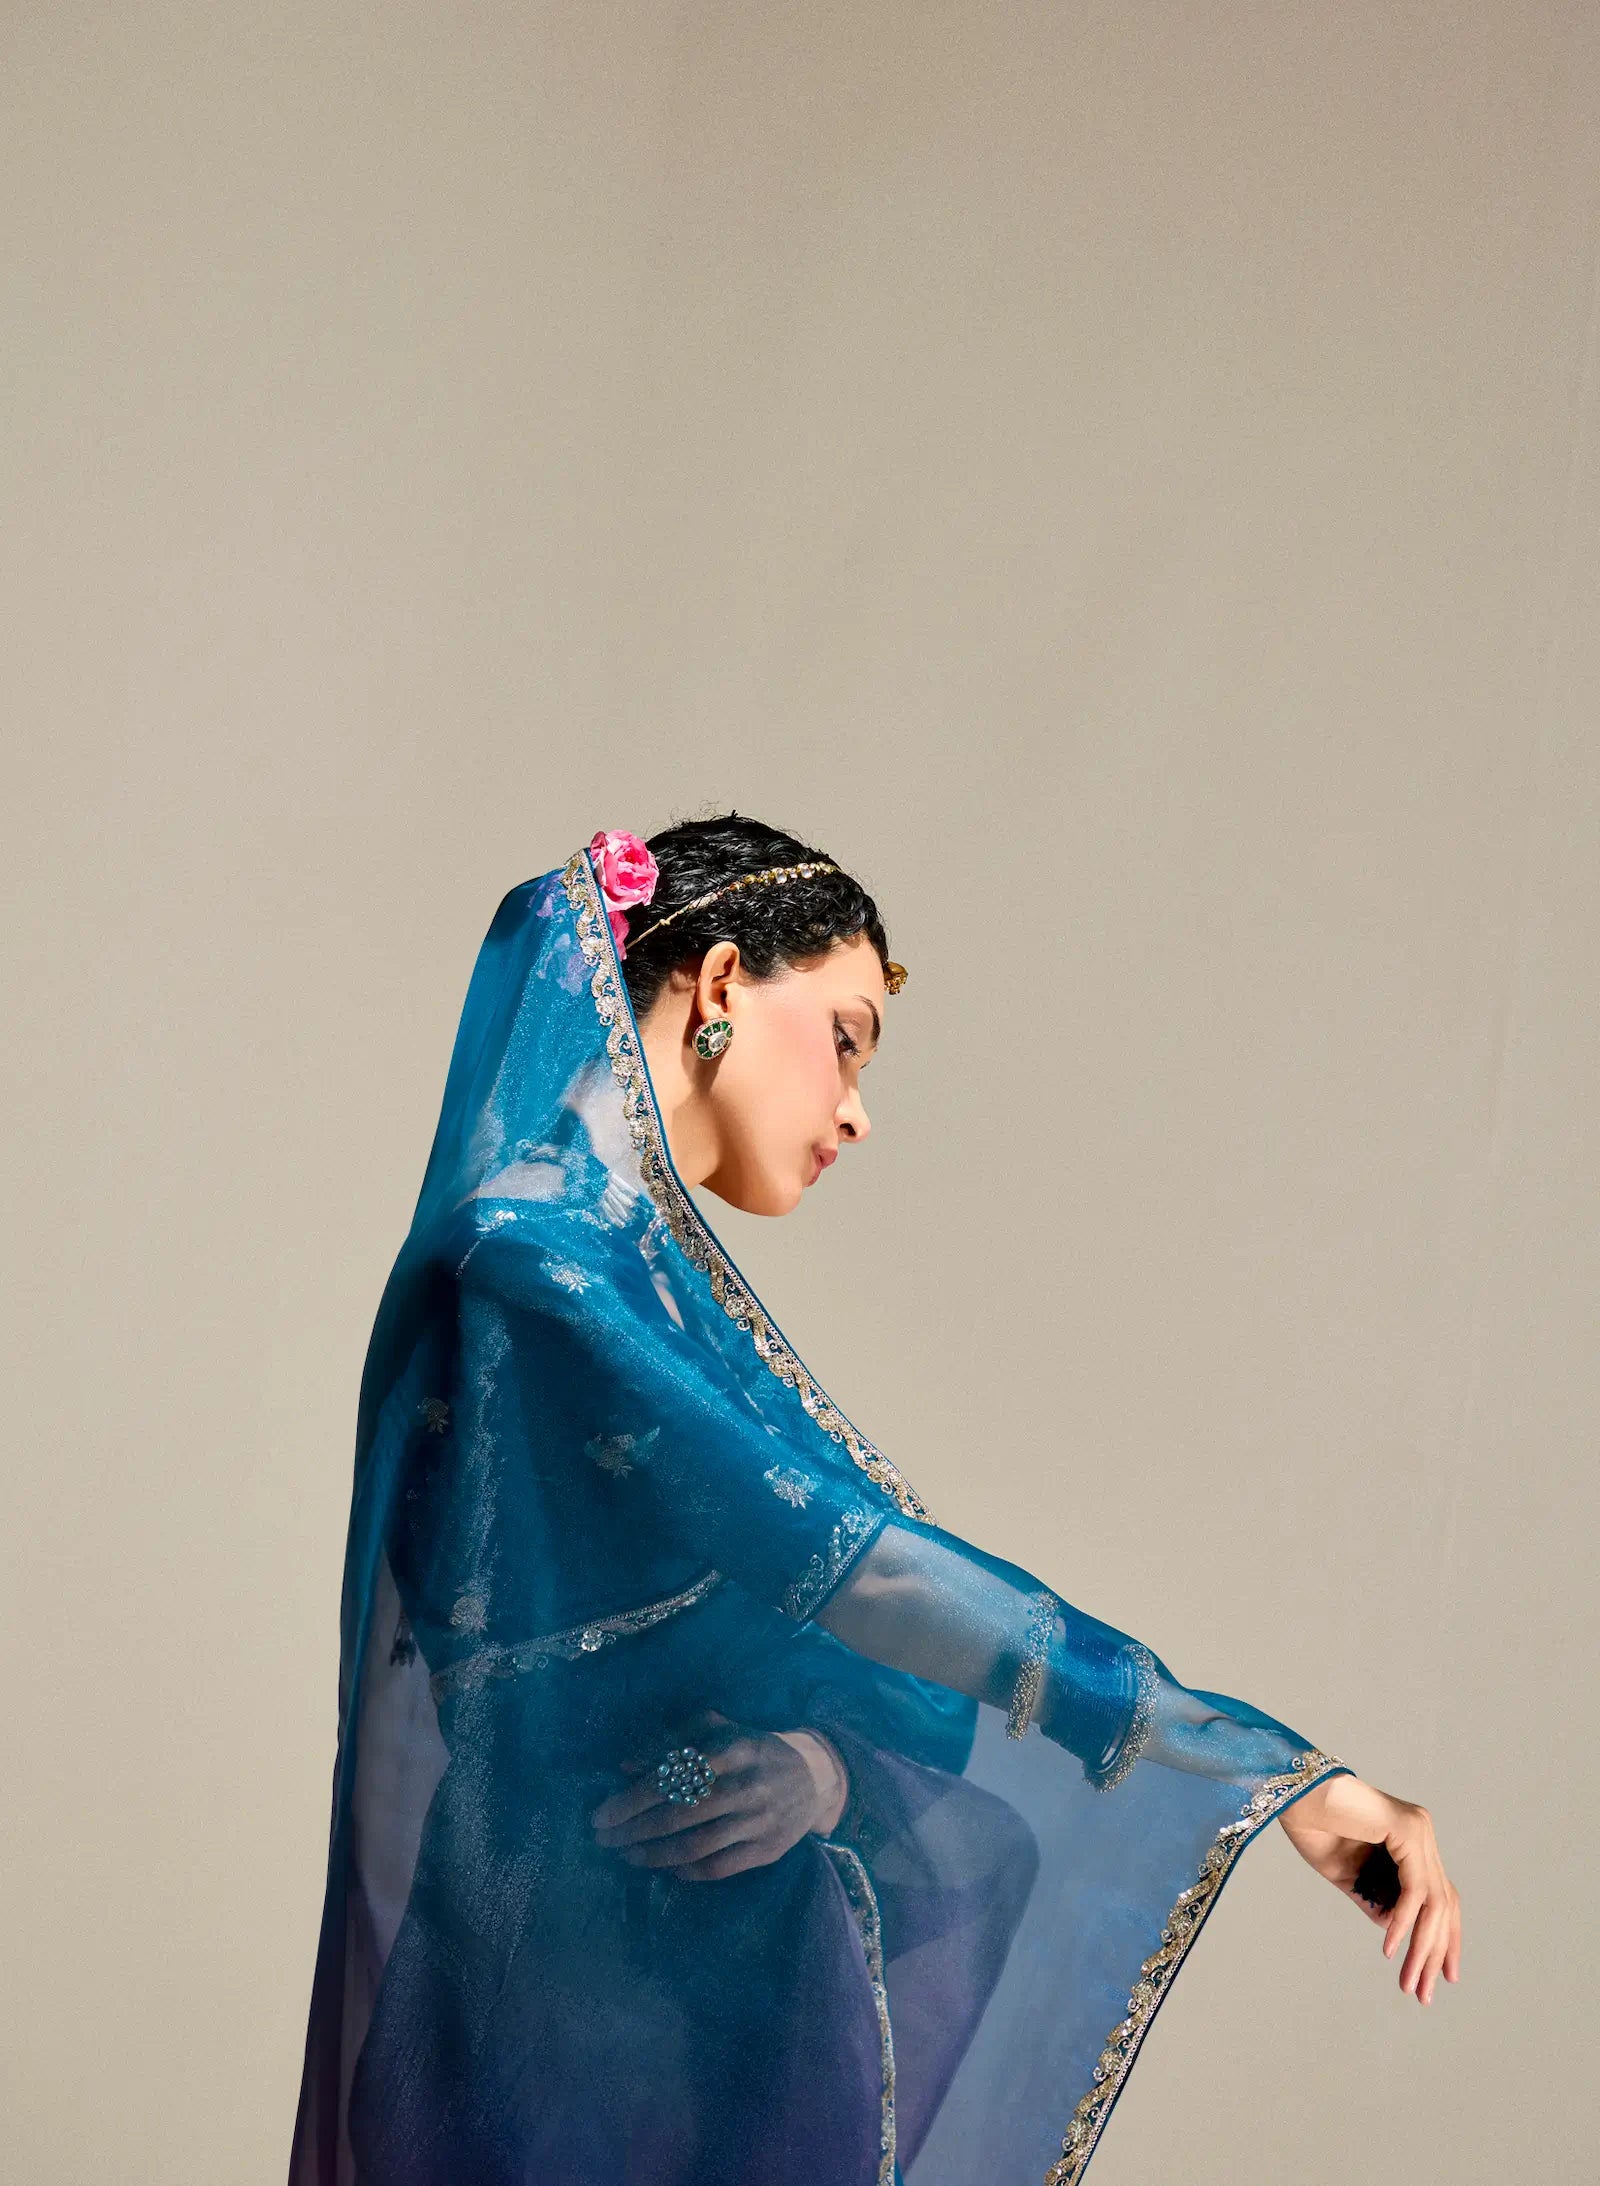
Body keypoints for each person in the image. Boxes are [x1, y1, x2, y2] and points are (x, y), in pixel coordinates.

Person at [287, 812, 1461, 2186]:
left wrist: (822, 1768)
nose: (855, 1108)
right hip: (554, 2016)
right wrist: (1255, 1767)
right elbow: (859, 1574)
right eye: (845, 1039)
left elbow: (779, 1626)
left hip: (730, 2005)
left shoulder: (624, 1262)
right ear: (721, 984)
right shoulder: (535, 1263)